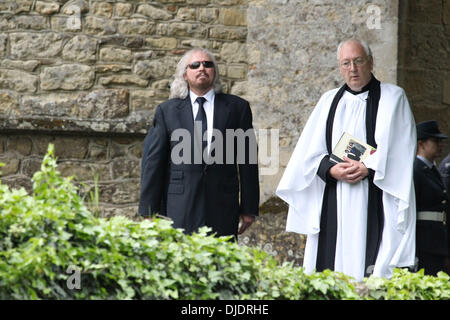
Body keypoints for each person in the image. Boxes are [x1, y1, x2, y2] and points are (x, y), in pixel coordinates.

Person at [276, 39, 417, 281]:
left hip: (376, 193)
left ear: (371, 62)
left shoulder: (394, 98)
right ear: (340, 67)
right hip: (335, 196)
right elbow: (308, 154)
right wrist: (331, 171)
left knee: (372, 267)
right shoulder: (328, 101)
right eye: (346, 63)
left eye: (358, 61)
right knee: (331, 268)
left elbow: (403, 146)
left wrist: (368, 167)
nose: (353, 68)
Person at [138, 48, 259, 237]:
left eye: (207, 64)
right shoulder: (167, 111)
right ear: (185, 75)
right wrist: (148, 210)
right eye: (195, 65)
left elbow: (248, 160)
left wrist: (249, 207)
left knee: (221, 263)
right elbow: (153, 163)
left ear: (214, 72)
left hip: (222, 205)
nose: (202, 68)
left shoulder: (237, 108)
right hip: (179, 206)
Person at [414, 120, 449, 275]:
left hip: (437, 239)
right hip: (424, 241)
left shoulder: (432, 169)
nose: (440, 145)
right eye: (435, 141)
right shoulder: (415, 170)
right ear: (421, 144)